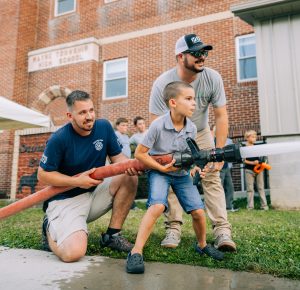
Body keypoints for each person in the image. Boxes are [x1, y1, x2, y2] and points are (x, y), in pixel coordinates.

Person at [149, 33, 236, 251]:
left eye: (204, 52)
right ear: (180, 57)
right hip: (171, 132)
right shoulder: (162, 84)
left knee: (213, 177)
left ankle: (222, 231)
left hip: (201, 131)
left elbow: (221, 115)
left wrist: (219, 152)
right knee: (172, 174)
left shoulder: (212, 77)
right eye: (196, 53)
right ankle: (173, 228)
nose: (202, 57)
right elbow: (156, 124)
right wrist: (174, 158)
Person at [126, 81, 224, 274]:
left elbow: (191, 153)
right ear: (173, 102)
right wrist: (161, 169)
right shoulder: (157, 125)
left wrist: (196, 166)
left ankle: (202, 245)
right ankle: (136, 251)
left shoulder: (192, 128)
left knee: (198, 211)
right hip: (159, 172)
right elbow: (139, 153)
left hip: (181, 174)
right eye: (188, 99)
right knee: (157, 206)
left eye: (194, 99)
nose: (194, 103)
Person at [37, 90, 138, 263]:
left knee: (129, 177)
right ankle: (49, 228)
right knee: (73, 253)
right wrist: (76, 181)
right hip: (66, 201)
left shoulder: (104, 127)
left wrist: (132, 165)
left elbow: (118, 159)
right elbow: (43, 175)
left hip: (93, 192)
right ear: (70, 115)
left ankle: (112, 236)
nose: (89, 116)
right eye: (82, 112)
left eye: (91, 110)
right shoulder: (59, 139)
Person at [211, 126, 238, 212]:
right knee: (219, 187)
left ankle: (229, 207)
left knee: (229, 187)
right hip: (218, 168)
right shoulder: (213, 142)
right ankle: (218, 208)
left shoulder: (227, 141)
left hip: (226, 167)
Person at [244, 130, 269, 210]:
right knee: (250, 189)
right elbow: (243, 160)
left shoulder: (256, 147)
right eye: (253, 137)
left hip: (259, 170)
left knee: (261, 188)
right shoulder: (244, 148)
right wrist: (252, 163)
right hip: (249, 171)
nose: (255, 138)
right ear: (247, 138)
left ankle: (264, 206)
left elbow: (262, 158)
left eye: (255, 137)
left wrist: (262, 161)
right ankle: (250, 207)